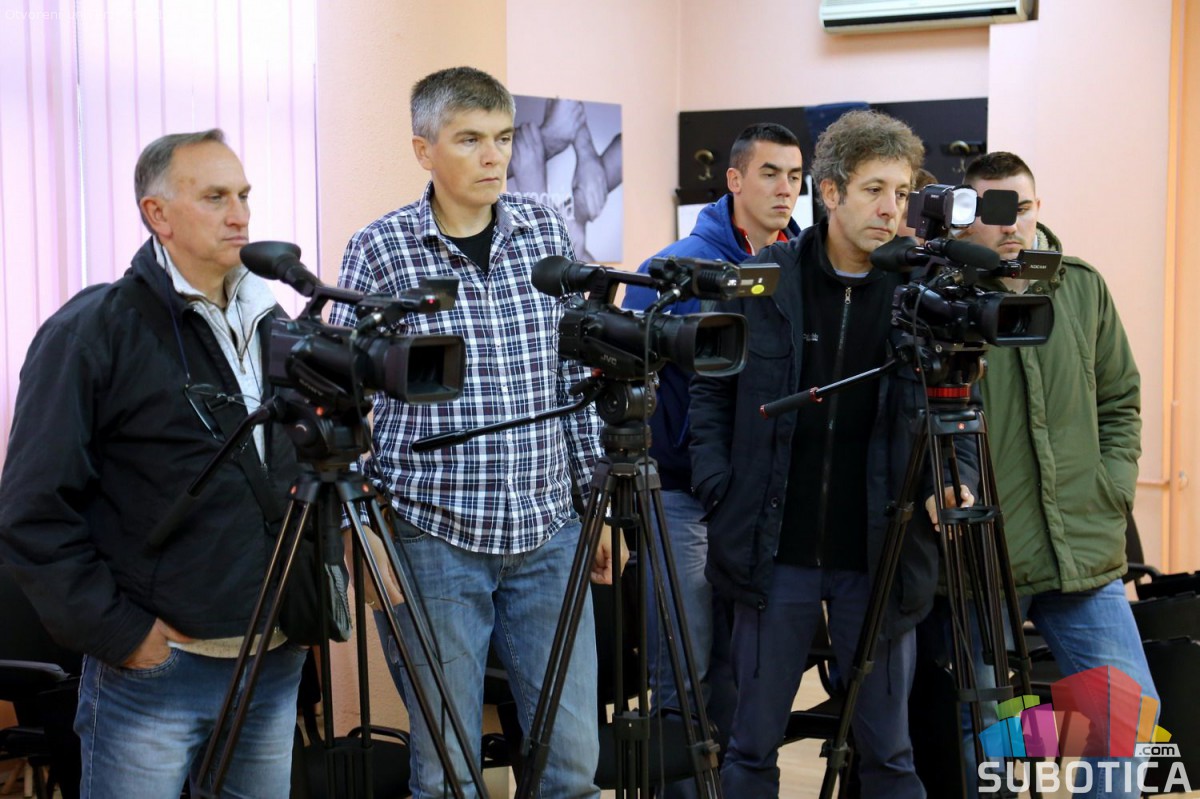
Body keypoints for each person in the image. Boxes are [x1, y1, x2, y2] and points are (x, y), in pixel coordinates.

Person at [0, 129, 305, 798]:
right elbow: (31, 510)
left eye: (245, 195)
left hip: (272, 657)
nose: (240, 214)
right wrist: (122, 633)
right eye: (215, 197)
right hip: (156, 670)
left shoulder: (275, 321)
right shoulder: (93, 329)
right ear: (157, 213)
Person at [329, 66, 607, 799]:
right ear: (424, 150)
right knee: (449, 771)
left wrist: (595, 504)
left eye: (504, 138)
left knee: (572, 763)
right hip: (433, 537)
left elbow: (574, 374)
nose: (494, 157)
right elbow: (338, 399)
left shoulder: (545, 229)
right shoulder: (381, 249)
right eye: (470, 139)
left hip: (550, 528)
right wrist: (362, 537)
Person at [690, 109, 976, 798]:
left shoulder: (922, 294)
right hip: (772, 550)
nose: (891, 208)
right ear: (830, 192)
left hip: (879, 554)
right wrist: (718, 486)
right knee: (751, 747)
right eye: (874, 189)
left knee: (890, 754)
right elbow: (711, 391)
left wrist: (953, 480)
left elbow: (960, 408)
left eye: (902, 193)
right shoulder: (764, 278)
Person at [954, 151, 1154, 799]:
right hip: (987, 562)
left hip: (1082, 552)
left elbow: (1119, 400)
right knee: (995, 746)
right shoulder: (946, 298)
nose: (1010, 224)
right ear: (966, 216)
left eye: (1021, 207)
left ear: (1038, 208)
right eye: (993, 210)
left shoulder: (1082, 286)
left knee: (1123, 726)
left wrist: (1111, 488)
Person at [620, 122, 804, 796]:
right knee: (686, 668)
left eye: (795, 176)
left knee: (741, 668)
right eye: (770, 173)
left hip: (753, 498)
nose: (785, 188)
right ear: (734, 179)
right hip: (680, 496)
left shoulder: (797, 267)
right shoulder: (677, 267)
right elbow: (630, 378)